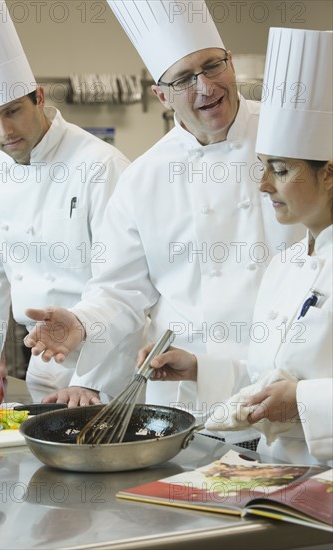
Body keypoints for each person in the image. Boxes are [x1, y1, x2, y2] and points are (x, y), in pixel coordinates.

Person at [25, 1, 304, 426]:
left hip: (291, 390)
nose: (207, 87)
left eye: (213, 66)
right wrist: (82, 322)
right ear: (161, 95)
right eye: (184, 79)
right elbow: (120, 292)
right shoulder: (143, 178)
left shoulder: (296, 142)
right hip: (188, 404)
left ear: (230, 63)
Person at [137, 27, 333, 465]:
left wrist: (304, 402)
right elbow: (264, 375)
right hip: (275, 477)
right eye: (263, 168)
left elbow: (296, 391)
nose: (263, 185)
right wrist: (201, 368)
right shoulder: (286, 266)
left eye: (279, 170)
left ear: (329, 173)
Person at [0, 0, 130, 401]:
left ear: (38, 97)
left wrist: (89, 379)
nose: (4, 131)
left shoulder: (101, 165)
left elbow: (123, 286)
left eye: (12, 111)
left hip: (104, 367)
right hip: (42, 364)